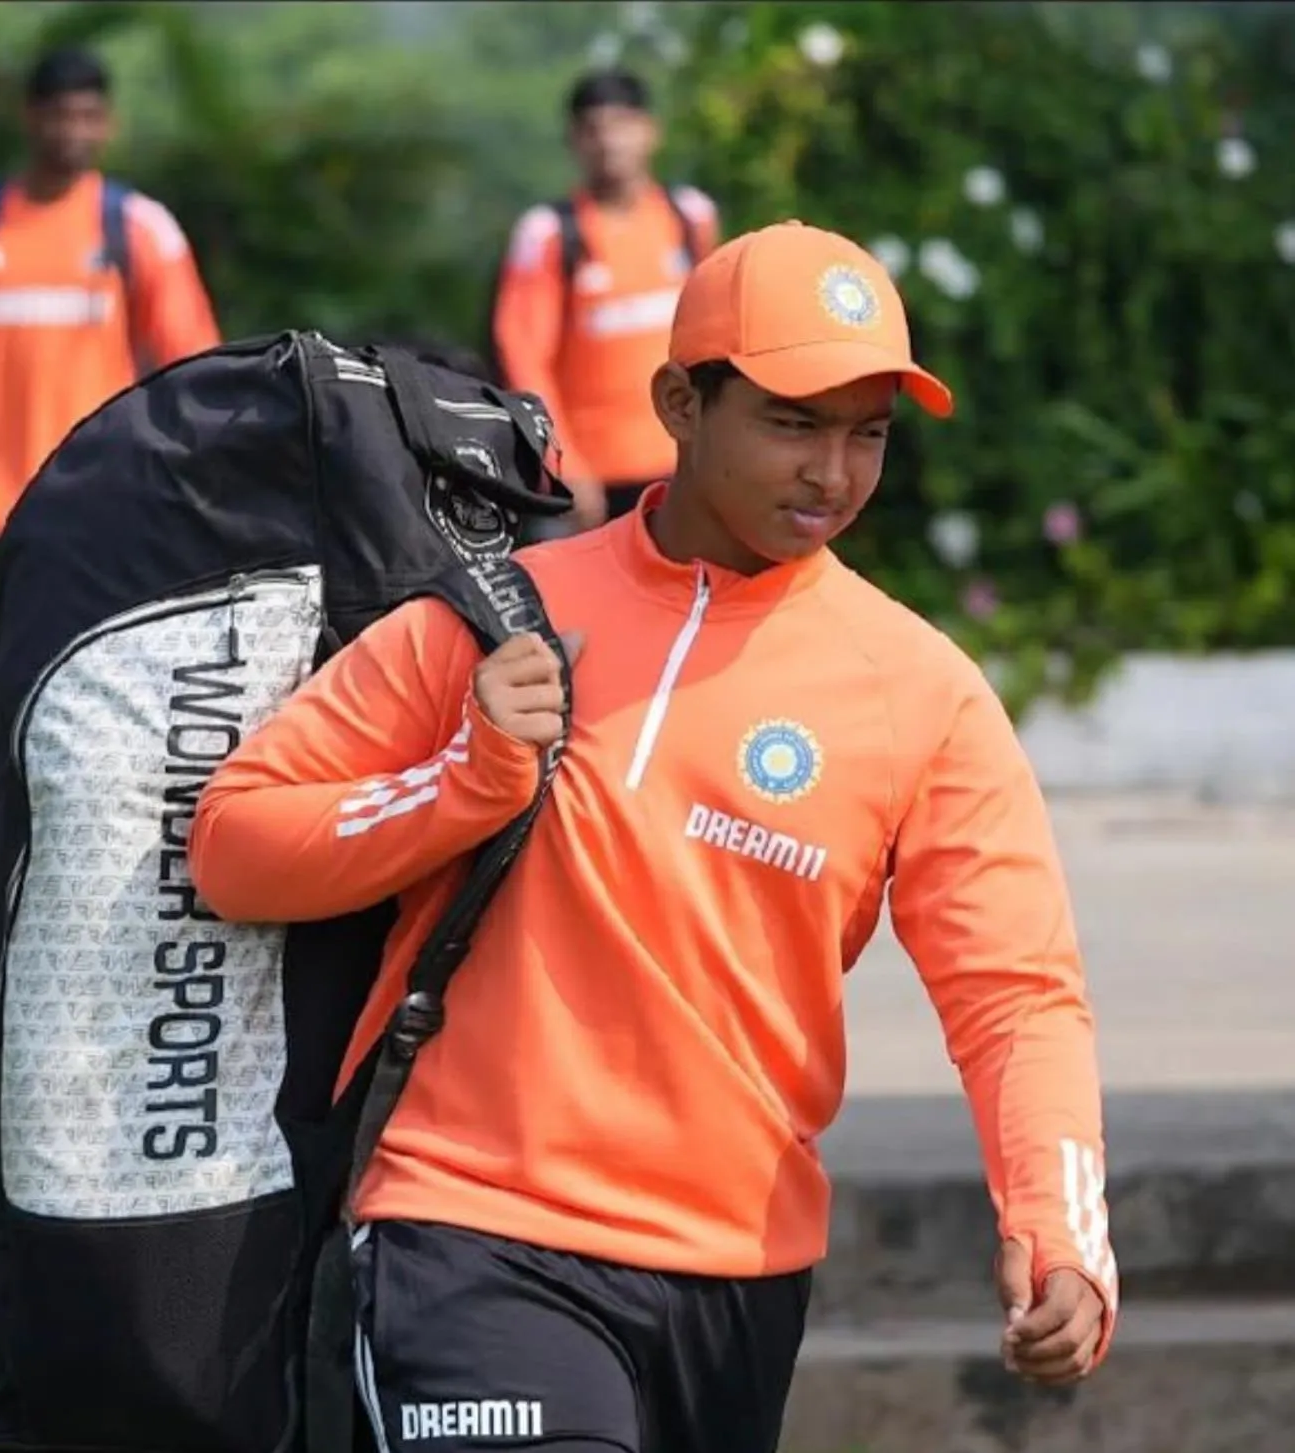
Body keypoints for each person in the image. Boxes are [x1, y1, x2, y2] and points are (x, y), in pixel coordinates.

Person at [189, 221, 1118, 1453]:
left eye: (868, 432)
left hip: (738, 1273)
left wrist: (1057, 1229)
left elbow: (1018, 997)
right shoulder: (492, 614)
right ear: (681, 401)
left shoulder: (922, 690)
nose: (833, 472)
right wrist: (465, 781)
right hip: (472, 1229)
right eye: (793, 421)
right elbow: (238, 840)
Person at [0, 45, 221, 684]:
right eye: (60, 116)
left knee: (83, 693)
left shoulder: (138, 228)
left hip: (95, 502)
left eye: (88, 117)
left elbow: (195, 373)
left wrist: (183, 493)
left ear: (107, 122)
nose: (73, 133)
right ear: (30, 117)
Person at [490, 68, 719, 533]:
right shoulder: (550, 232)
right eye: (593, 129)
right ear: (574, 140)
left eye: (622, 124)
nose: (609, 141)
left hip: (681, 465)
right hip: (590, 482)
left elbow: (717, 334)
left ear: (650, 131)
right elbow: (522, 352)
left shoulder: (689, 217)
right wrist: (563, 462)